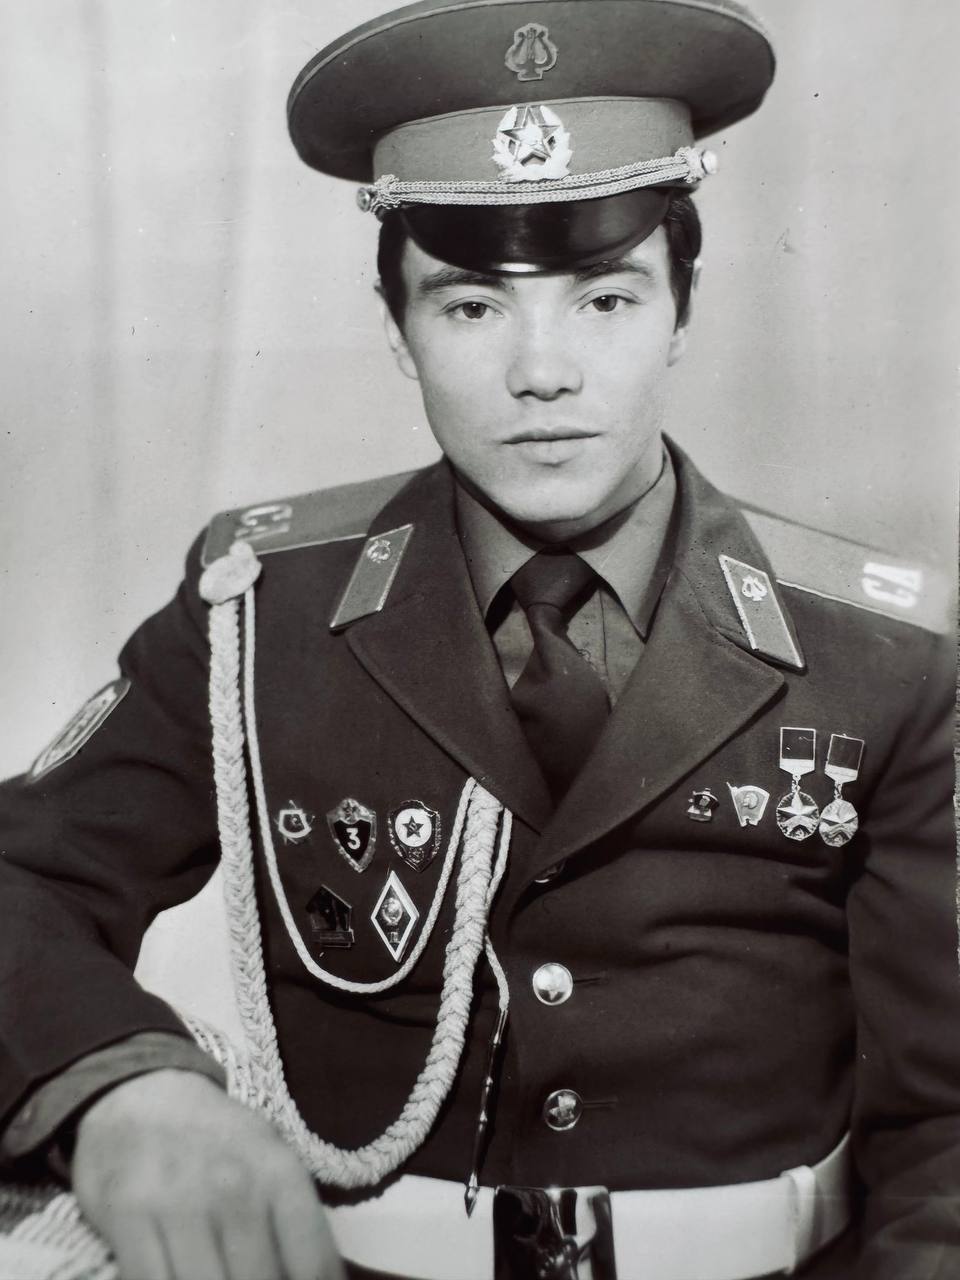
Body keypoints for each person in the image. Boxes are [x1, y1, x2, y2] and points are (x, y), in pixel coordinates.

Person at [0, 1, 957, 1278]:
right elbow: (23, 877)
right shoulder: (262, 611)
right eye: (470, 308)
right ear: (395, 329)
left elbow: (948, 1127)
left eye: (605, 297)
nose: (542, 371)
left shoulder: (887, 656)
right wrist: (122, 1083)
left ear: (683, 309)